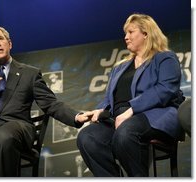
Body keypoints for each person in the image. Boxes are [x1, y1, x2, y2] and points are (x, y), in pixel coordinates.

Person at [0, 26, 92, 177]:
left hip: (16, 127)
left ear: (9, 44)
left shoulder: (29, 73)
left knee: (3, 136)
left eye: (0, 39)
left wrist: (76, 116)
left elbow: (51, 103)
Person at [77, 13, 184, 177]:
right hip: (119, 119)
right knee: (87, 137)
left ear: (146, 33)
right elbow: (109, 98)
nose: (126, 37)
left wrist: (131, 110)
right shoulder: (120, 67)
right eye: (125, 33)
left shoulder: (165, 58)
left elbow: (165, 89)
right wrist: (99, 111)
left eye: (131, 32)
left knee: (126, 132)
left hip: (154, 114)